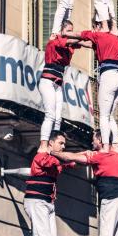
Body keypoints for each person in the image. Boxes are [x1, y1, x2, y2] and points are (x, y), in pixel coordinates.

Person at [62, 20, 118, 151]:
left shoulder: (98, 35)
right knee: (110, 116)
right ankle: (116, 145)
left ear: (97, 26)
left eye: (94, 27)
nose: (93, 30)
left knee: (103, 116)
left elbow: (80, 35)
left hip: (108, 76)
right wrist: (74, 41)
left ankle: (106, 146)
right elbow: (86, 43)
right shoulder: (114, 39)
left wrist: (65, 34)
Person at [24, 132, 75, 236]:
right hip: (36, 201)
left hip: (48, 203)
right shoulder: (41, 156)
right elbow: (54, 162)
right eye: (61, 143)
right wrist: (67, 159)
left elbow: (69, 163)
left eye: (64, 144)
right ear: (51, 143)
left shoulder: (54, 158)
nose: (63, 146)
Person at [39, 20, 88, 149]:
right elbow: (74, 40)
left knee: (58, 117)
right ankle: (44, 144)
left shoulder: (68, 45)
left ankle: (54, 143)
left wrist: (95, 39)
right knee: (50, 114)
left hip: (57, 84)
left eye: (72, 31)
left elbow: (83, 43)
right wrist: (83, 35)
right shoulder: (56, 41)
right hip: (48, 82)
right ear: (61, 31)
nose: (71, 33)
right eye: (69, 31)